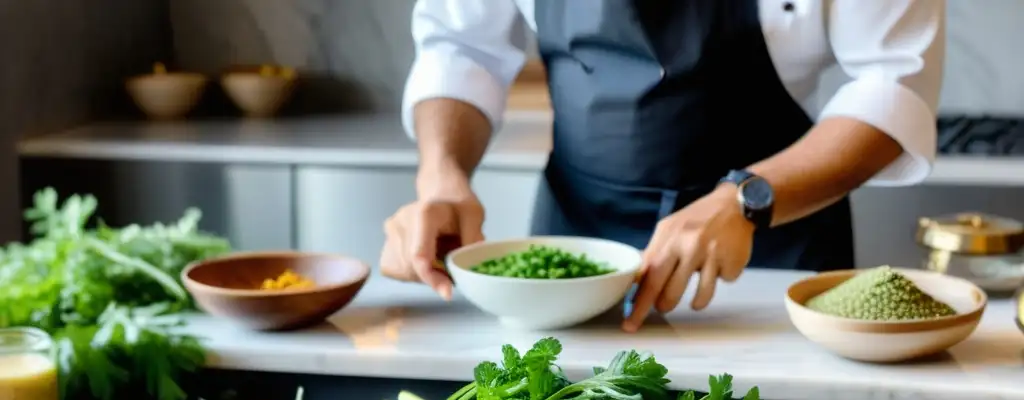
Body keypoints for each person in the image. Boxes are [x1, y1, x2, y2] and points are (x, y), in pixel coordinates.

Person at [382, 0, 945, 331]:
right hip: (575, 238)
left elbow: (893, 83)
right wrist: (442, 174)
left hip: (770, 243)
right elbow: (462, 49)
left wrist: (747, 198)